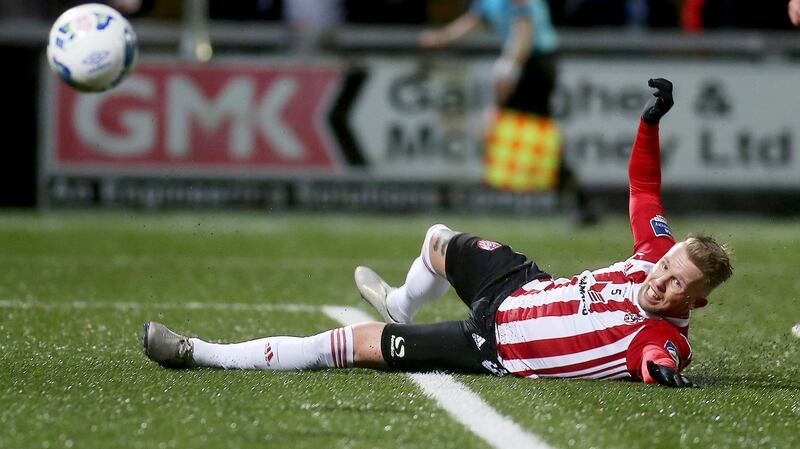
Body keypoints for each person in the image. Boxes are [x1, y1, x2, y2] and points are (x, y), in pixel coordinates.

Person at [143, 79, 732, 387]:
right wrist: (648, 124)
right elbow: (643, 191)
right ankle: (403, 303)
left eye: (676, 284)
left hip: (494, 346)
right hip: (524, 287)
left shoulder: (664, 338)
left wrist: (660, 372)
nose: (660, 281)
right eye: (665, 267)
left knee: (352, 347)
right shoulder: (656, 251)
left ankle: (199, 353)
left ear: (697, 301)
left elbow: (656, 356)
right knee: (439, 240)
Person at [419, 0, 597, 225]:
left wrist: (509, 67)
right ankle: (578, 201)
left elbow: (525, 29)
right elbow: (474, 20)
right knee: (533, 139)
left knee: (528, 135)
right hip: (524, 62)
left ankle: (577, 201)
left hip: (535, 64)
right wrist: (442, 37)